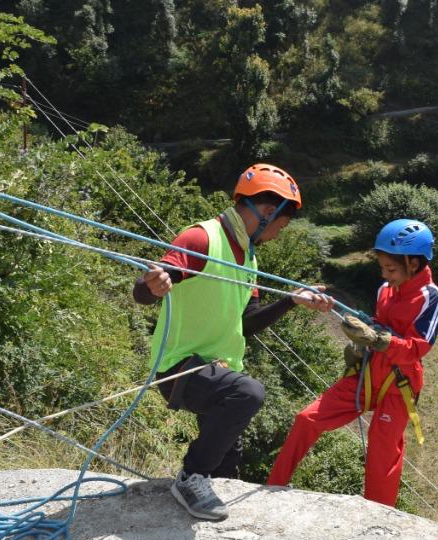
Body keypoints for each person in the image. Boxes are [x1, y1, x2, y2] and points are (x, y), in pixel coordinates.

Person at [132, 163, 333, 521]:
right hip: (179, 368)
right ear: (267, 212)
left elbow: (247, 323)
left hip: (217, 370)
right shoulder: (201, 239)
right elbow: (146, 290)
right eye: (281, 226)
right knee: (249, 394)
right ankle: (190, 478)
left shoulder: (249, 258)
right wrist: (152, 286)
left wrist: (290, 301)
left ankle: (207, 496)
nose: (277, 235)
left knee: (227, 462)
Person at [266, 219, 438, 506]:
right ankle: (274, 486)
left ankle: (378, 516)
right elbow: (377, 324)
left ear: (413, 263)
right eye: (382, 268)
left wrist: (377, 339)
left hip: (399, 383)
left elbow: (417, 347)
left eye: (391, 269)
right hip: (368, 372)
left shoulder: (431, 297)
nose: (385, 276)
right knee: (306, 419)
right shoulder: (384, 290)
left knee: (382, 450)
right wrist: (358, 325)